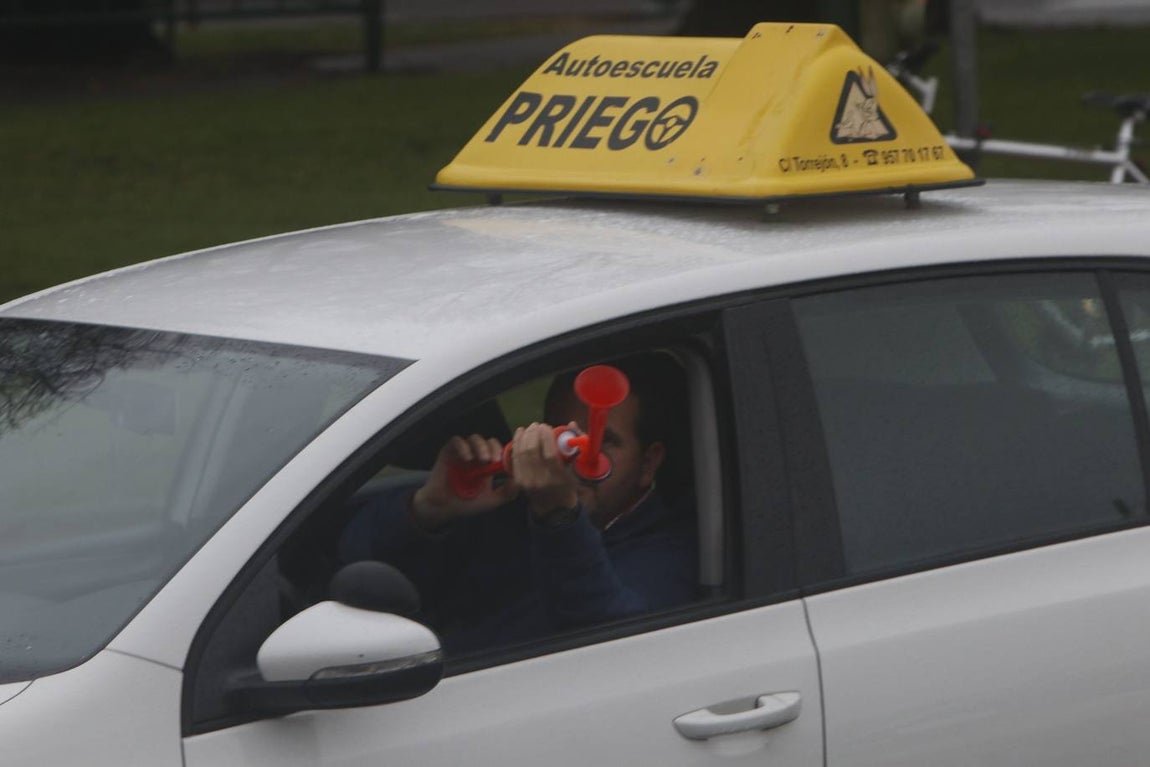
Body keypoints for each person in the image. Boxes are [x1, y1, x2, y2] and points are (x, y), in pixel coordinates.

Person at [338, 353, 697, 655]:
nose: (569, 457)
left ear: (648, 463)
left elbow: (608, 639)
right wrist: (430, 507)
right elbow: (356, 562)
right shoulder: (506, 504)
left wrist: (559, 516)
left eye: (604, 443)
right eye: (561, 436)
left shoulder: (673, 553)